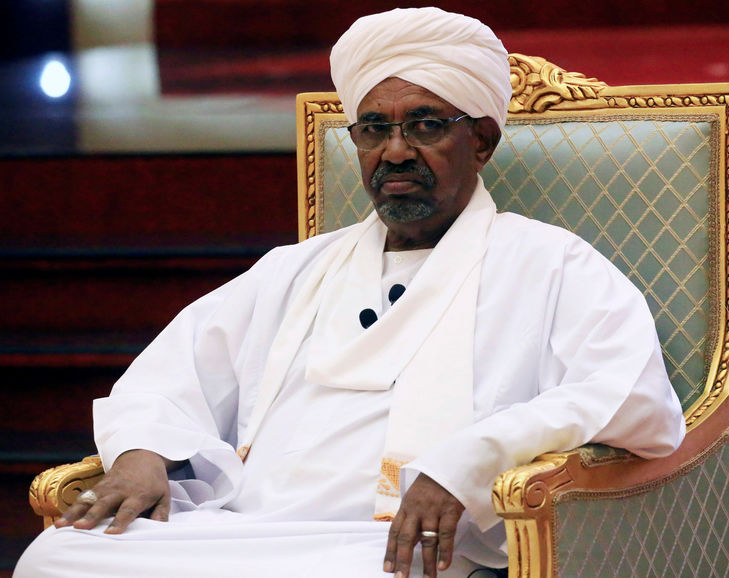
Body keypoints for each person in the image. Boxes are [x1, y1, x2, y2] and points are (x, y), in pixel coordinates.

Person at [15, 7, 685, 578]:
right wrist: (139, 458)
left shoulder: (550, 262)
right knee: (54, 558)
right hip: (243, 529)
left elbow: (624, 392)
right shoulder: (295, 269)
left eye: (425, 124)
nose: (395, 151)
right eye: (374, 128)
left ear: (479, 141)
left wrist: (464, 461)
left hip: (391, 545)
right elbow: (171, 375)